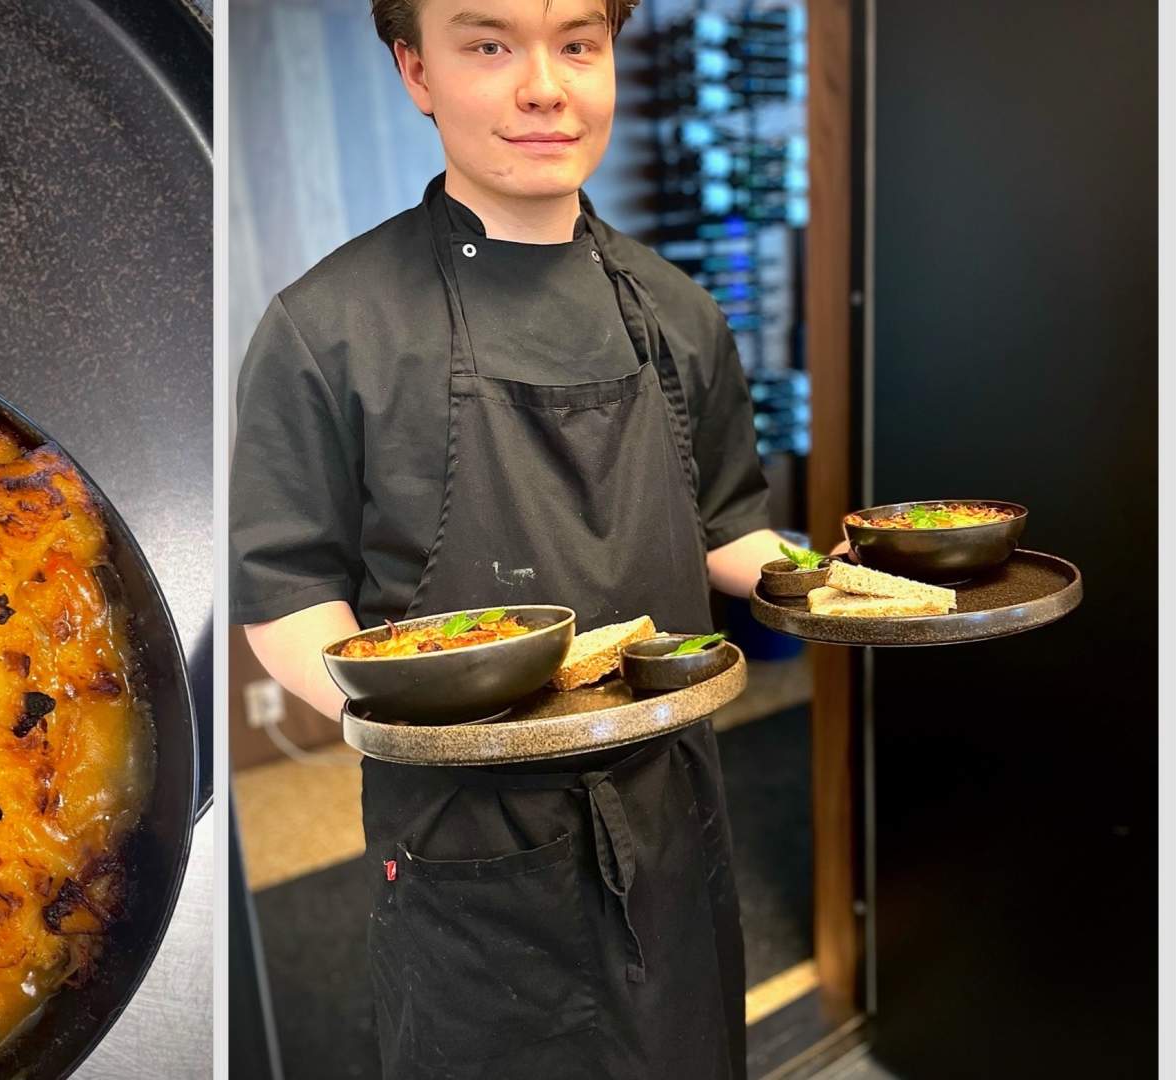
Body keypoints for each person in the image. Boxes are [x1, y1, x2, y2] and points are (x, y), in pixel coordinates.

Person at [228, 0, 795, 1076]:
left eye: (578, 43)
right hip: (466, 845)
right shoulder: (329, 327)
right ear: (416, 70)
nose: (546, 85)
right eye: (488, 44)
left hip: (673, 815)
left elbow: (729, 525)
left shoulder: (683, 316)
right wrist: (446, 727)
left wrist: (832, 582)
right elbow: (287, 592)